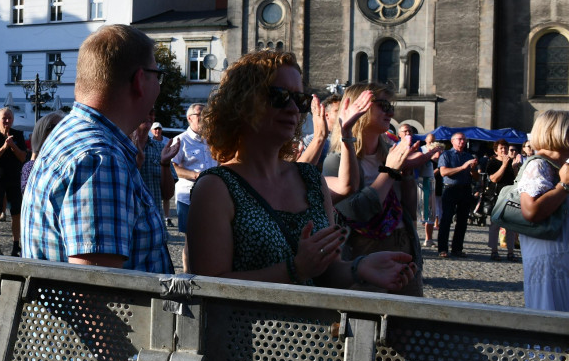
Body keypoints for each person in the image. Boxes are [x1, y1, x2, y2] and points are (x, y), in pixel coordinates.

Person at [186, 51, 416, 291]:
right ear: (242, 103)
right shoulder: (216, 188)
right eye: (280, 96)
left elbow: (327, 272)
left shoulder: (310, 179)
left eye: (300, 99)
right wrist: (294, 269)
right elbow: (207, 287)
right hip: (248, 328)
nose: (293, 108)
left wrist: (359, 268)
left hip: (316, 328)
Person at [22, 24, 172, 273]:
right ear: (139, 81)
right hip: (110, 313)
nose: (159, 84)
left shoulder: (70, 131)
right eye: (157, 74)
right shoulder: (101, 159)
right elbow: (94, 297)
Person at [323, 86, 439, 297]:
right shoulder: (338, 161)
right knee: (367, 323)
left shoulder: (390, 153)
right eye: (384, 106)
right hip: (364, 253)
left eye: (390, 107)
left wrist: (405, 174)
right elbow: (358, 211)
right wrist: (390, 171)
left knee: (408, 323)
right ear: (361, 107)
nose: (391, 113)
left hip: (403, 246)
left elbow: (409, 211)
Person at [516, 110, 569, 312]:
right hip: (550, 264)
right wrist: (564, 186)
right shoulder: (538, 165)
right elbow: (531, 211)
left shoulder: (559, 165)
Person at [0, 107, 27, 256]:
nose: (7, 121)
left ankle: (16, 245)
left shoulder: (18, 135)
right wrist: (4, 147)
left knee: (16, 213)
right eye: (4, 118)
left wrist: (13, 145)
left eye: (9, 118)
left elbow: (23, 157)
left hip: (15, 178)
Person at [168, 103, 217, 235]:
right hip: (188, 198)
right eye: (200, 114)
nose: (205, 117)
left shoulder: (212, 140)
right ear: (189, 118)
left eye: (206, 114)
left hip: (212, 196)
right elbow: (172, 167)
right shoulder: (180, 140)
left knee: (211, 236)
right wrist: (196, 175)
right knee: (191, 240)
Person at [437, 131, 478, 258]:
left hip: (465, 189)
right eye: (459, 139)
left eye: (464, 139)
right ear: (452, 141)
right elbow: (443, 172)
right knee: (446, 219)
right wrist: (462, 167)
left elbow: (476, 177)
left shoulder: (468, 156)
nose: (462, 141)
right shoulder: (446, 155)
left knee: (462, 221)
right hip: (450, 189)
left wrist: (472, 169)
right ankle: (442, 249)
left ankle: (457, 248)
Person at [484, 139, 521, 262]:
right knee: (494, 225)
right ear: (496, 151)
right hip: (496, 196)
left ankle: (511, 252)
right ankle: (494, 251)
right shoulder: (492, 163)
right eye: (501, 148)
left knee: (510, 226)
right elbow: (494, 179)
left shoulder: (512, 162)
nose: (504, 150)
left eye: (505, 148)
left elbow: (516, 179)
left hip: (509, 196)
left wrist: (515, 168)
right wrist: (504, 165)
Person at [21, 111, 66, 193]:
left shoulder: (73, 161)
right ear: (42, 134)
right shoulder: (32, 167)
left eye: (64, 126)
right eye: (55, 127)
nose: (61, 130)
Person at [150, 121, 175, 226]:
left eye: (159, 129)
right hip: (154, 169)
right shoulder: (149, 142)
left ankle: (167, 217)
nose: (157, 131)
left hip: (165, 168)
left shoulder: (167, 141)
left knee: (166, 196)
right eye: (155, 129)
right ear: (152, 131)